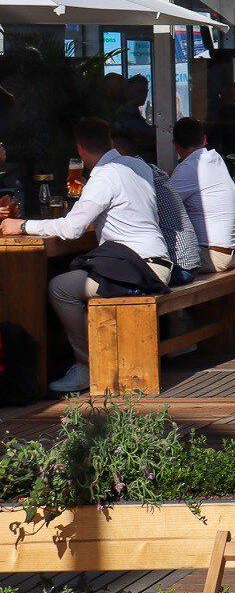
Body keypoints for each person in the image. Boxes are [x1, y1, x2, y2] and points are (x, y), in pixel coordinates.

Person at [0, 117, 168, 395]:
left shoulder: (103, 177)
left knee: (60, 287)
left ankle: (86, 364)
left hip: (139, 268)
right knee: (72, 273)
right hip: (155, 260)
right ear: (111, 142)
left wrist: (23, 225)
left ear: (80, 150)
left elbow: (71, 228)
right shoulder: (136, 165)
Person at [111, 125, 202, 281]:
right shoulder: (150, 170)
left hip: (176, 268)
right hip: (190, 263)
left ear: (119, 153)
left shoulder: (132, 176)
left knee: (105, 277)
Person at [170, 117, 235, 271]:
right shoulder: (215, 160)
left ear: (175, 144)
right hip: (231, 253)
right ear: (204, 139)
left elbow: (161, 206)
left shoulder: (189, 168)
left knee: (150, 259)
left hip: (211, 255)